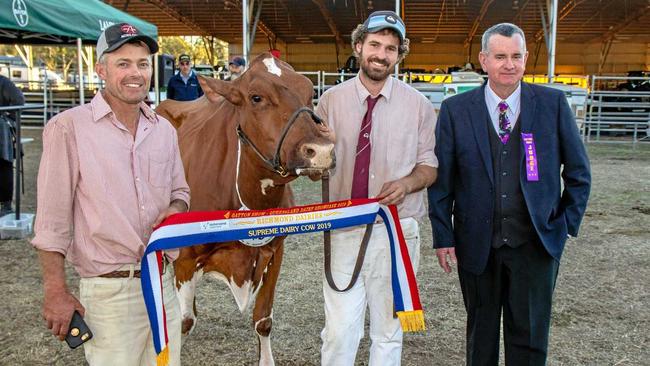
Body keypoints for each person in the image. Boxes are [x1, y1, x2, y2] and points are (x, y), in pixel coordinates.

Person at [427, 23, 591, 365]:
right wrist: (443, 236)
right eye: (500, 56)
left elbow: (578, 174)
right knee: (480, 336)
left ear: (526, 59)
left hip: (535, 243)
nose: (509, 64)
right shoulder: (457, 111)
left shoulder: (552, 104)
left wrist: (562, 226)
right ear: (483, 60)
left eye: (516, 56)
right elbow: (442, 183)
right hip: (476, 244)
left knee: (530, 338)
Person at [31, 23, 190, 365]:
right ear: (101, 69)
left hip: (163, 287)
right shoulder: (68, 128)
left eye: (143, 64)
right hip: (109, 293)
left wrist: (175, 206)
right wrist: (56, 292)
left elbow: (180, 190)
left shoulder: (164, 131)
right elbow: (51, 223)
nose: (135, 73)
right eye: (123, 63)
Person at [316, 11, 437, 366]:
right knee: (339, 330)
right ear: (358, 47)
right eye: (374, 45)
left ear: (399, 56)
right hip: (343, 228)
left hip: (397, 231)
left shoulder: (419, 106)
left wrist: (407, 183)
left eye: (391, 48)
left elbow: (430, 167)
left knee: (388, 331)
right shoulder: (330, 101)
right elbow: (314, 168)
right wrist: (318, 159)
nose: (381, 54)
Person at [0, 75, 24, 216]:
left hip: (1, 131)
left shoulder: (4, 82)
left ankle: (6, 205)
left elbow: (18, 101)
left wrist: (6, 116)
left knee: (3, 164)